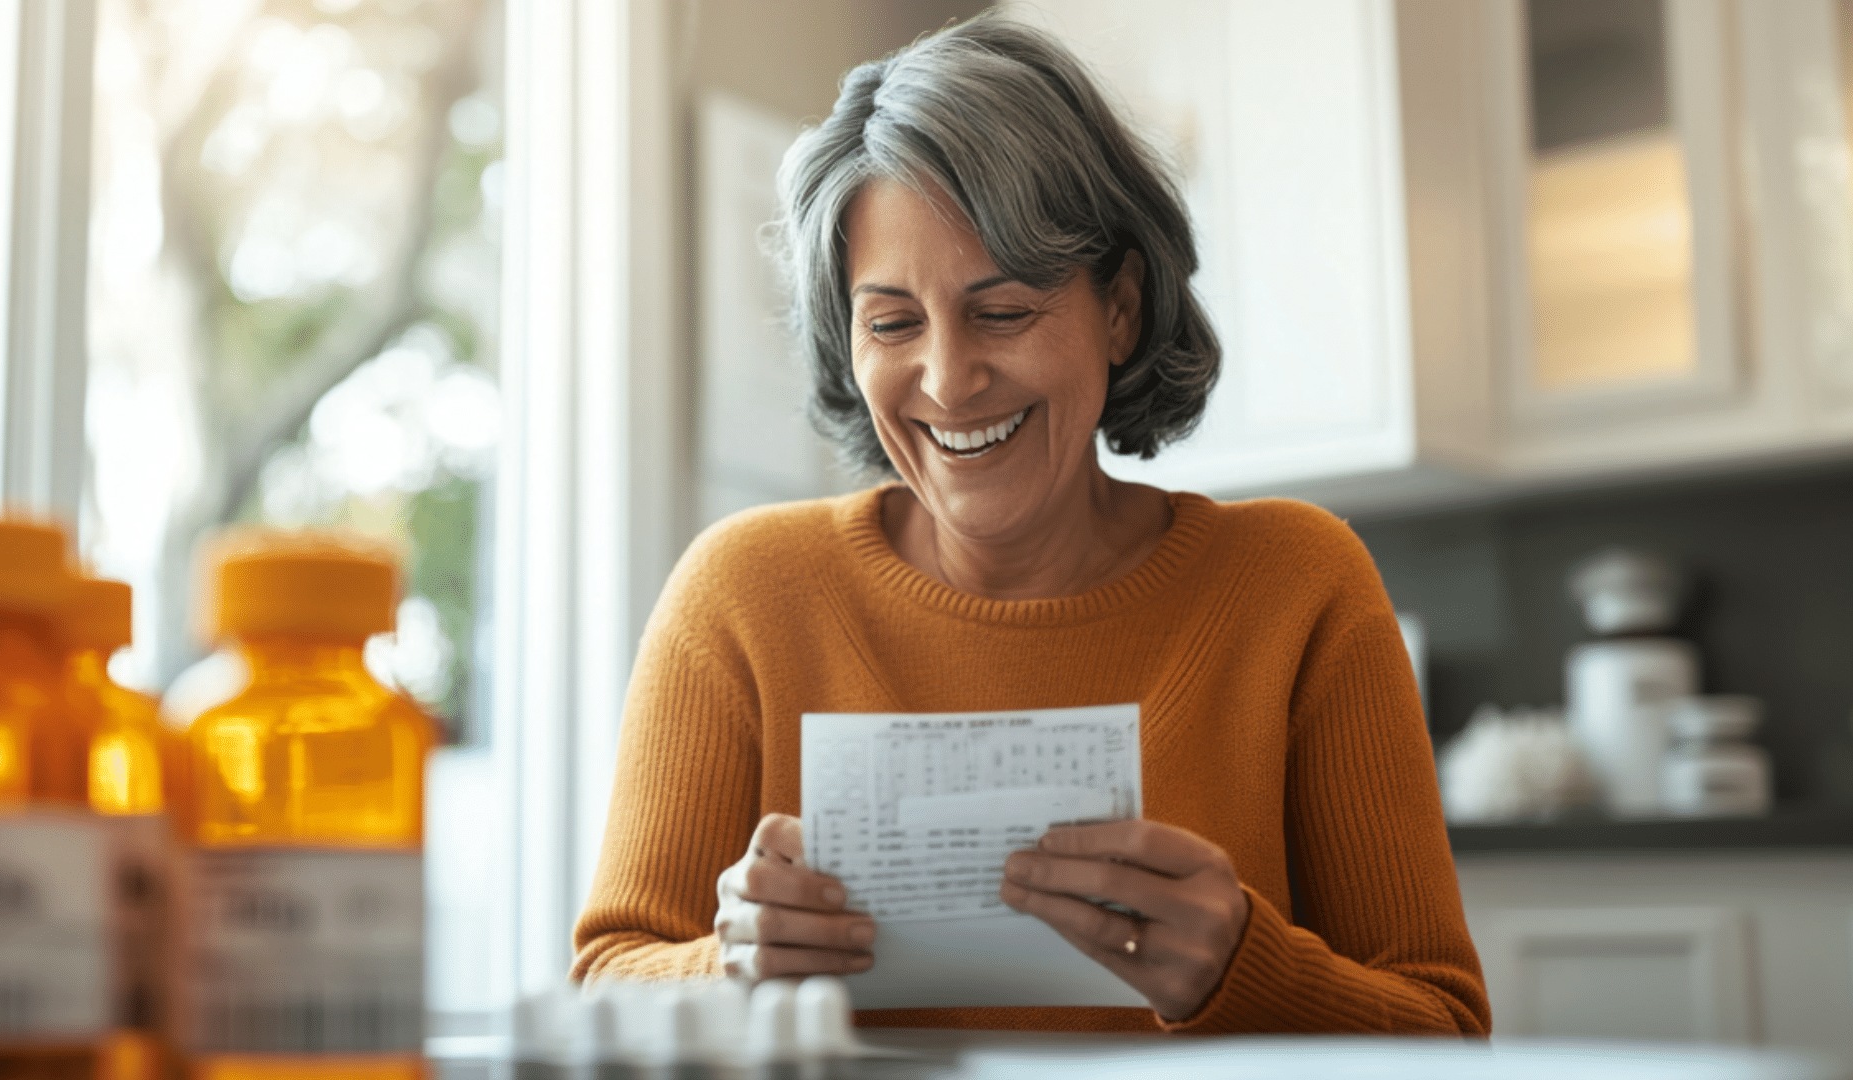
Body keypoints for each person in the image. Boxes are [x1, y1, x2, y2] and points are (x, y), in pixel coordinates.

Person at [572, 15, 1488, 1035]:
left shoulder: (1297, 586)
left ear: (1122, 310)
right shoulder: (743, 593)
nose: (949, 378)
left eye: (1003, 311)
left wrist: (1241, 968)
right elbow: (610, 976)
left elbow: (1445, 1026)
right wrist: (727, 968)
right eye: (892, 322)